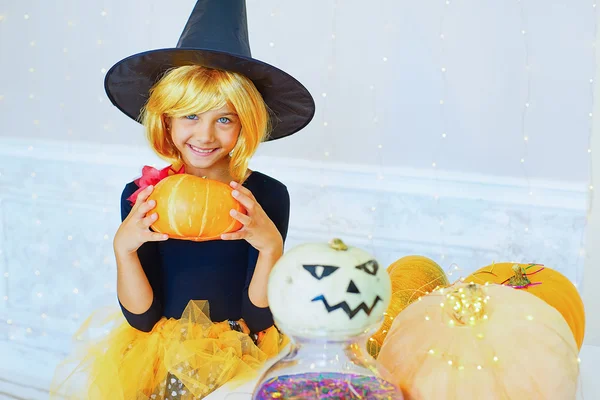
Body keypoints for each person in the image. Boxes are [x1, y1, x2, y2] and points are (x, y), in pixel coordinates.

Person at [50, 0, 315, 398]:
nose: (205, 136)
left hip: (239, 355)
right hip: (161, 355)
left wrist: (270, 246)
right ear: (166, 119)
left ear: (246, 124)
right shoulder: (144, 196)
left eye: (224, 119)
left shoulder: (266, 196)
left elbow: (258, 315)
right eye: (190, 115)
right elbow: (142, 318)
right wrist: (123, 249)